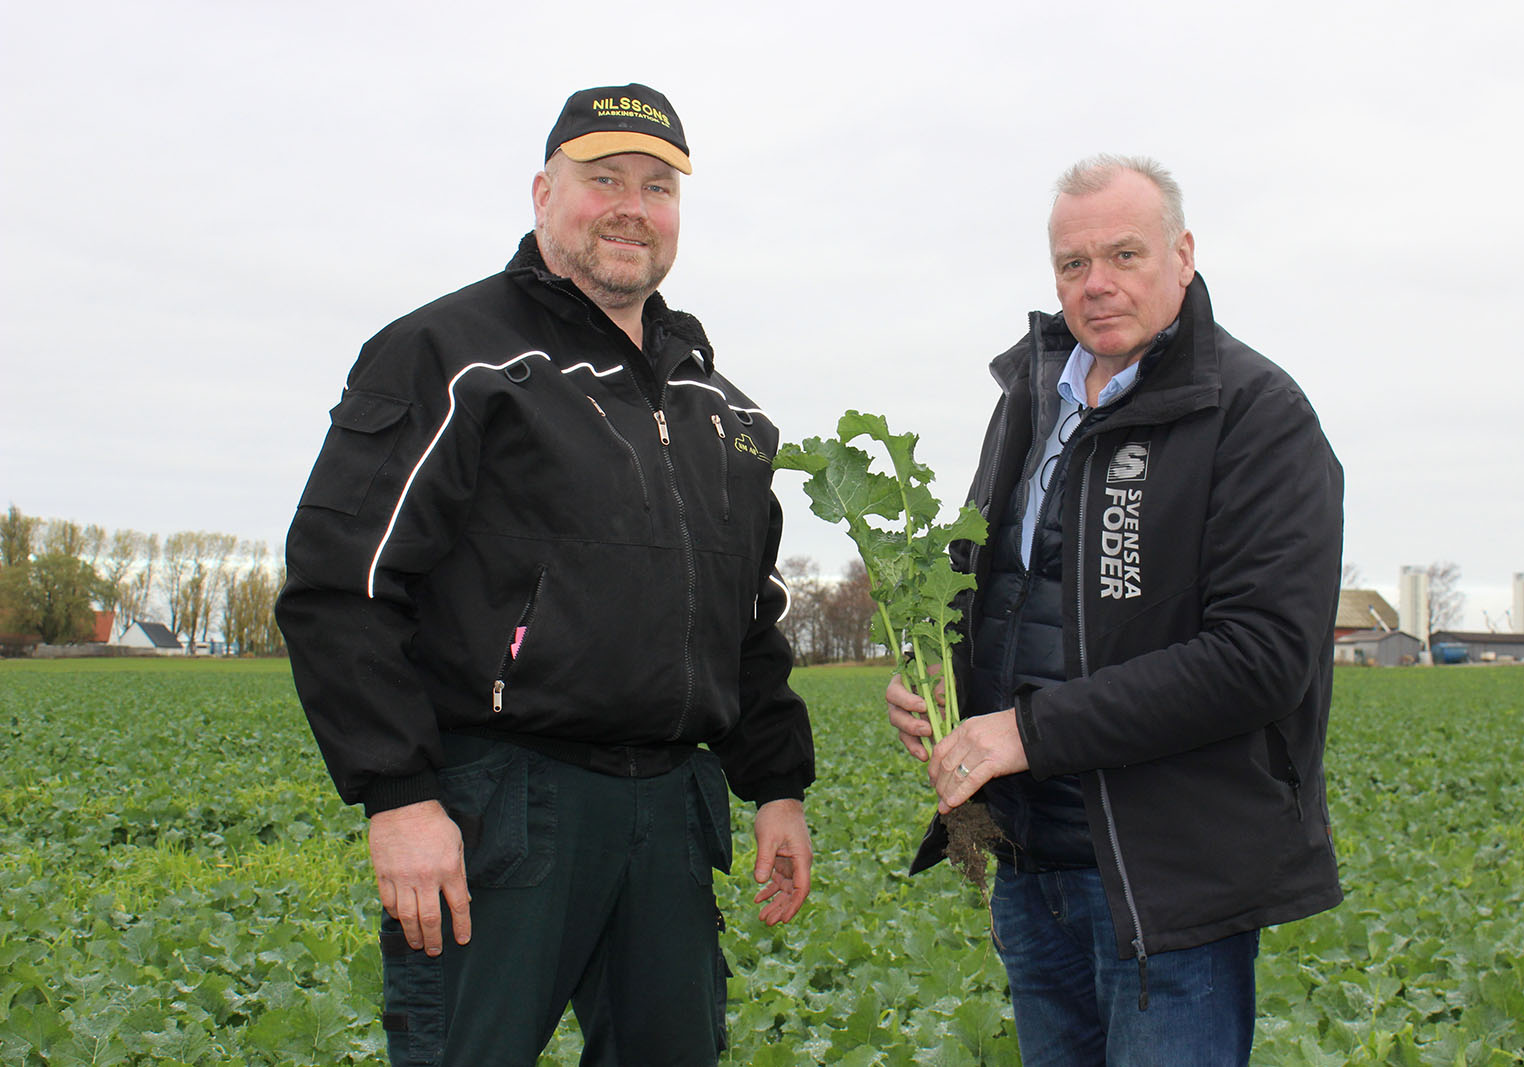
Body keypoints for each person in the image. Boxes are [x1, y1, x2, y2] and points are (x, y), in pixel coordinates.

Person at [276, 82, 815, 1066]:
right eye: (601, 178)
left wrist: (776, 784)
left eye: (657, 187)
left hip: (668, 811)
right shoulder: (452, 357)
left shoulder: (719, 408)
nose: (629, 206)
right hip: (503, 806)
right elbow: (340, 580)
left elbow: (750, 616)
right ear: (541, 193)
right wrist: (397, 794)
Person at [886, 155, 1343, 1064]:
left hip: (1165, 880)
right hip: (1029, 863)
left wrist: (1026, 732)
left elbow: (1260, 655)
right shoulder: (1030, 398)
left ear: (1182, 254)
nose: (1096, 285)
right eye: (1071, 264)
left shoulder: (1255, 413)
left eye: (1125, 255)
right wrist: (944, 681)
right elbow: (1003, 589)